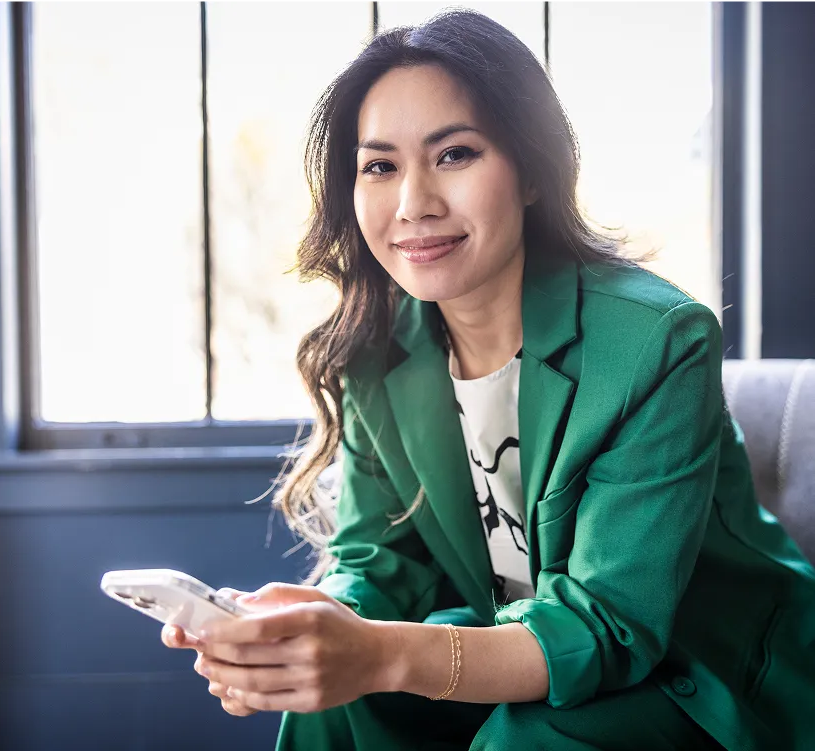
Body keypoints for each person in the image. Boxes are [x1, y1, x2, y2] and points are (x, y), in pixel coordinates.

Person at [163, 10, 815, 750]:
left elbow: (609, 623)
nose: (413, 204)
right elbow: (380, 562)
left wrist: (377, 651)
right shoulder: (373, 353)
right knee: (330, 705)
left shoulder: (656, 341)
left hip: (700, 672)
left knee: (528, 738)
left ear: (533, 170)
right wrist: (317, 624)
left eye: (455, 155)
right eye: (379, 165)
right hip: (508, 656)